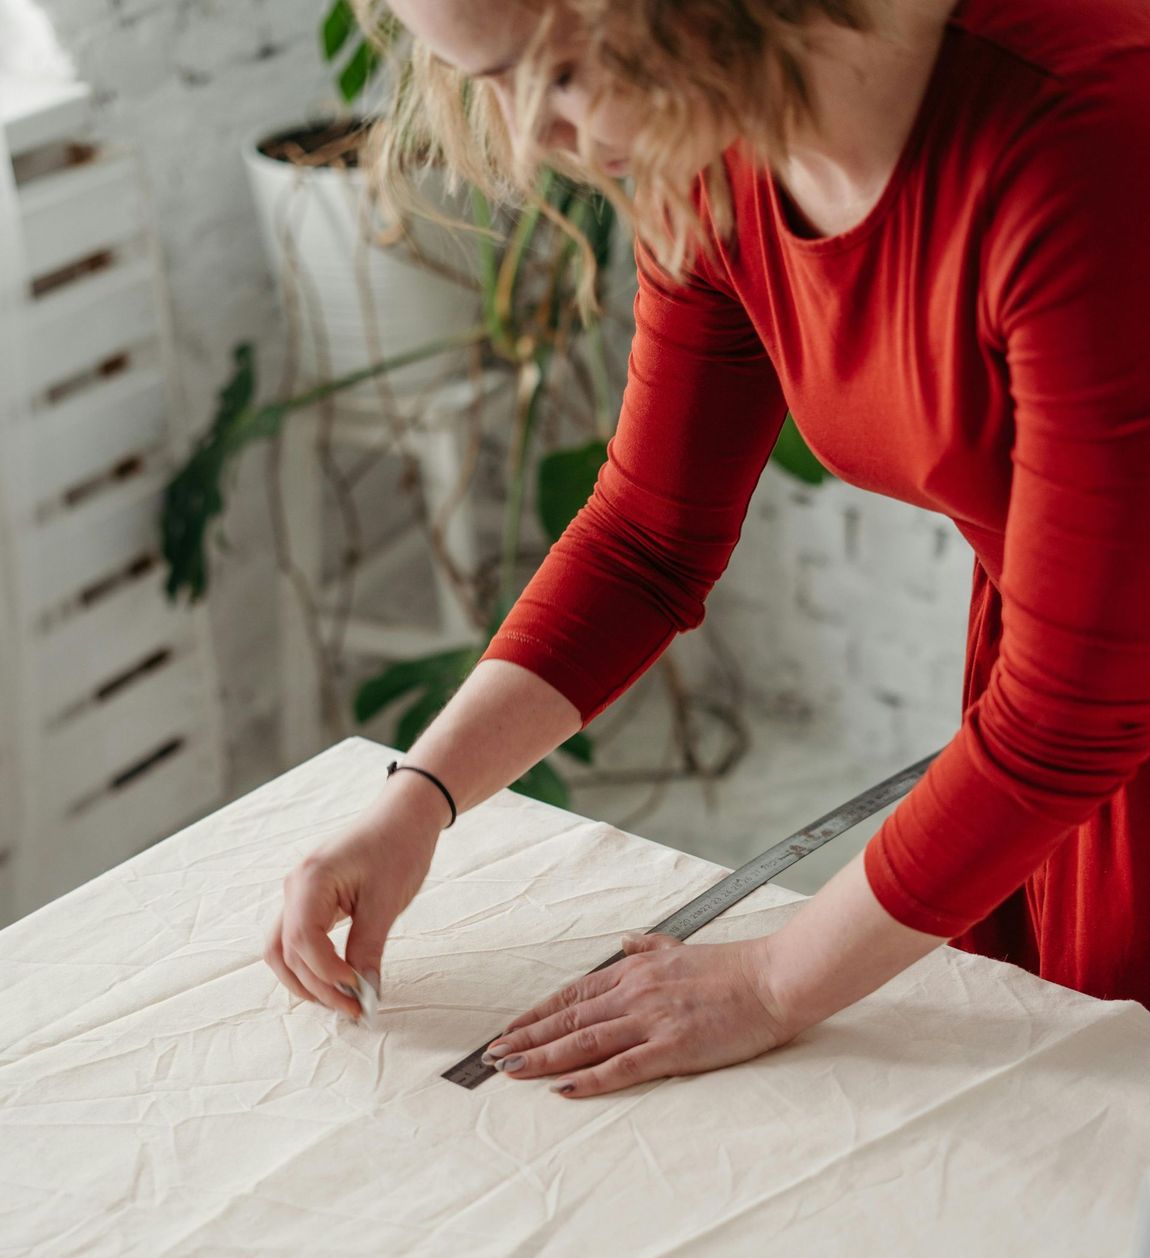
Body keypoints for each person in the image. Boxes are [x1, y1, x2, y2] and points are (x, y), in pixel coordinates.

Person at [265, 0, 1150, 1098]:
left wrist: (772, 983)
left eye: (563, 72)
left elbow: (1077, 713)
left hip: (1095, 709)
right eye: (480, 76)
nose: (527, 128)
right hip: (1078, 702)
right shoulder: (720, 148)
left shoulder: (1087, 137)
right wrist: (415, 803)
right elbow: (647, 538)